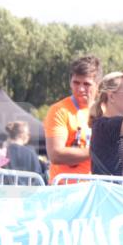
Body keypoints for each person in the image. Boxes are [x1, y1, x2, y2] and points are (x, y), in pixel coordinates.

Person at [44, 55, 100, 184]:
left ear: (98, 85)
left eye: (86, 84)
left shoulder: (104, 111)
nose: (80, 89)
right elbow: (55, 154)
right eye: (76, 82)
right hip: (63, 190)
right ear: (70, 82)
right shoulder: (59, 110)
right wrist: (97, 152)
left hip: (94, 190)